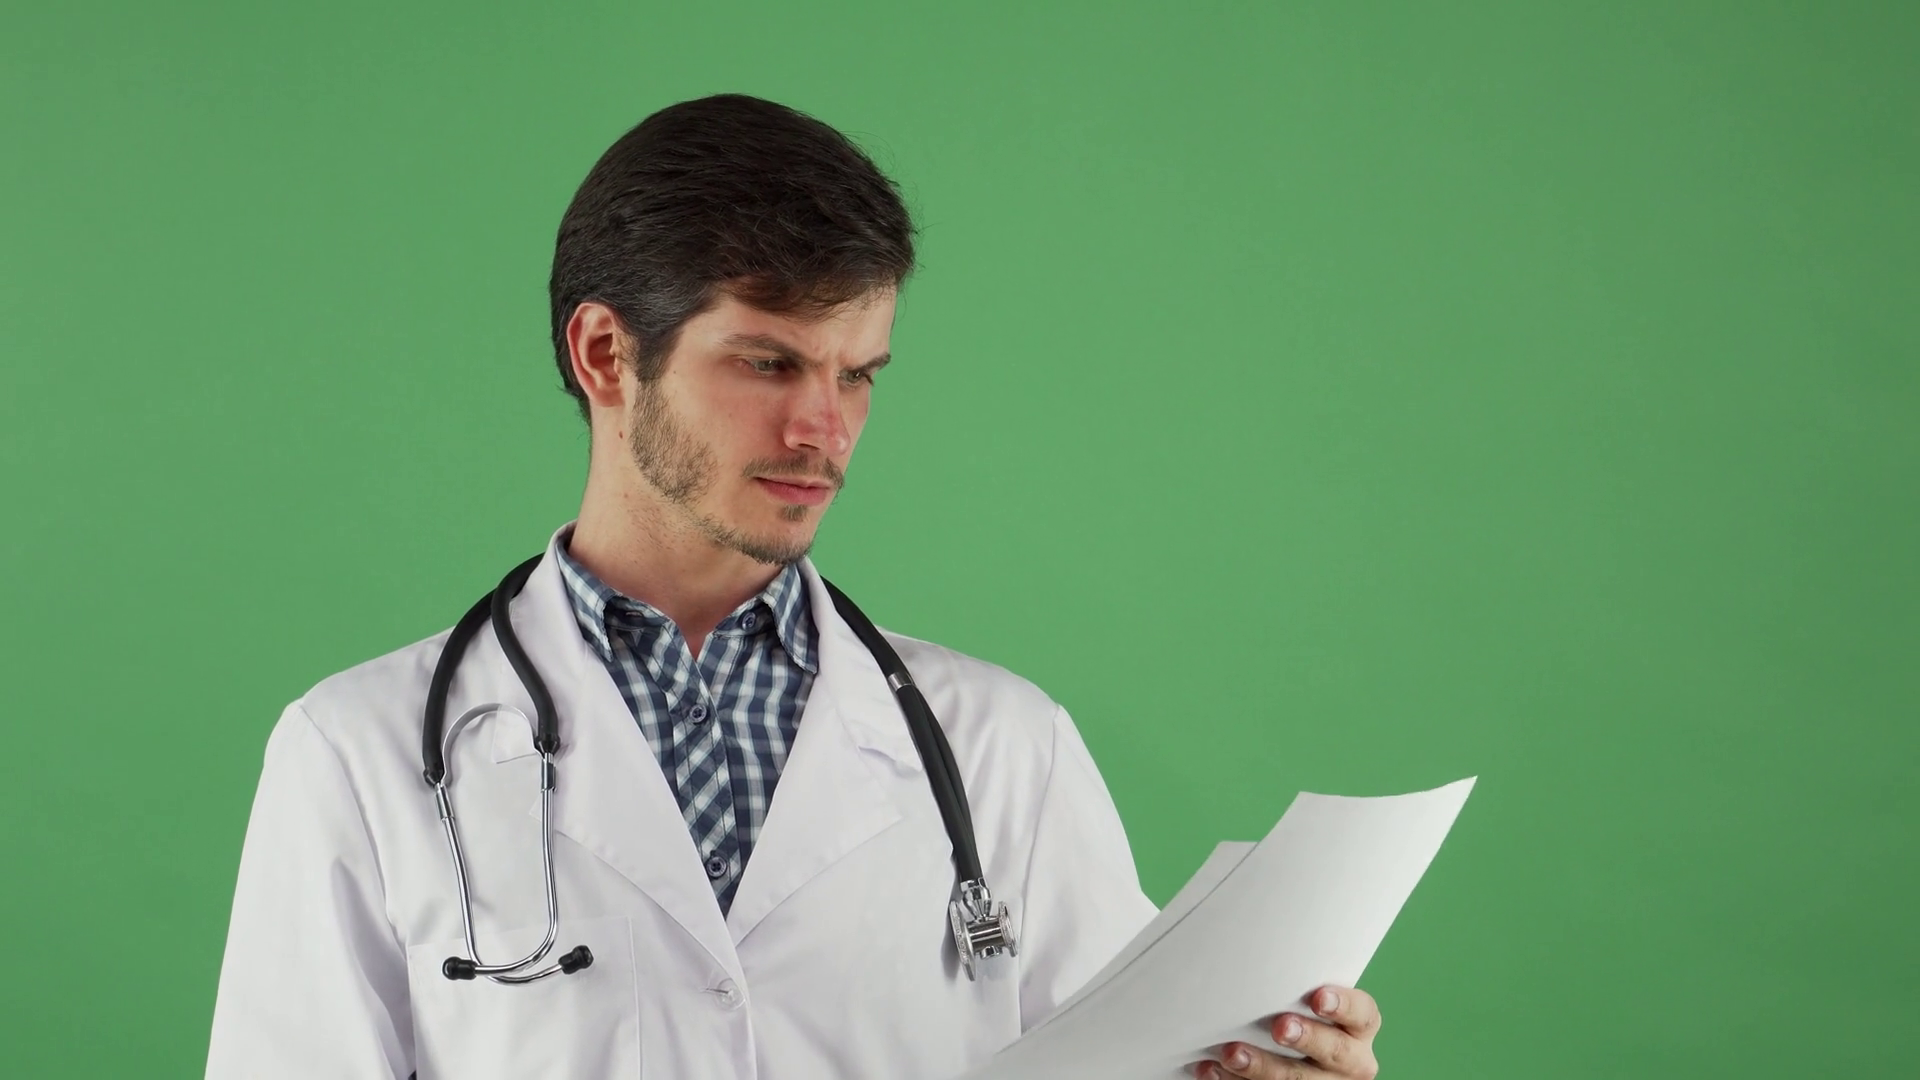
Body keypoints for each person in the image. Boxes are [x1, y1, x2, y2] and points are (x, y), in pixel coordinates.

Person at [204, 92, 1384, 1080]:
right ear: (606, 354)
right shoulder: (354, 756)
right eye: (768, 363)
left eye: (858, 374)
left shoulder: (1003, 750)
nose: (826, 429)